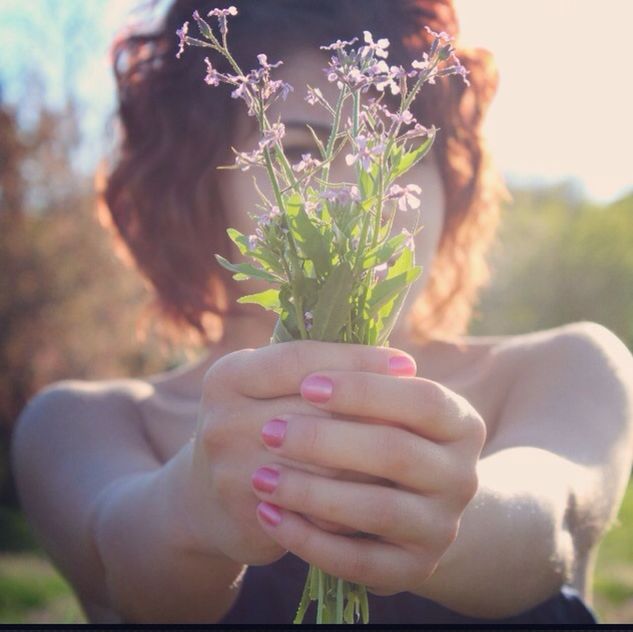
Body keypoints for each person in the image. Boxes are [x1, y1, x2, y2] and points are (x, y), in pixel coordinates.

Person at [10, 0, 633, 625]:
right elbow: (127, 566)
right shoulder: (83, 424)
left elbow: (549, 523)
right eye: (304, 145)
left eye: (398, 151)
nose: (357, 188)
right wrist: (192, 507)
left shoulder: (566, 368)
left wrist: (448, 514)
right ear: (200, 187)